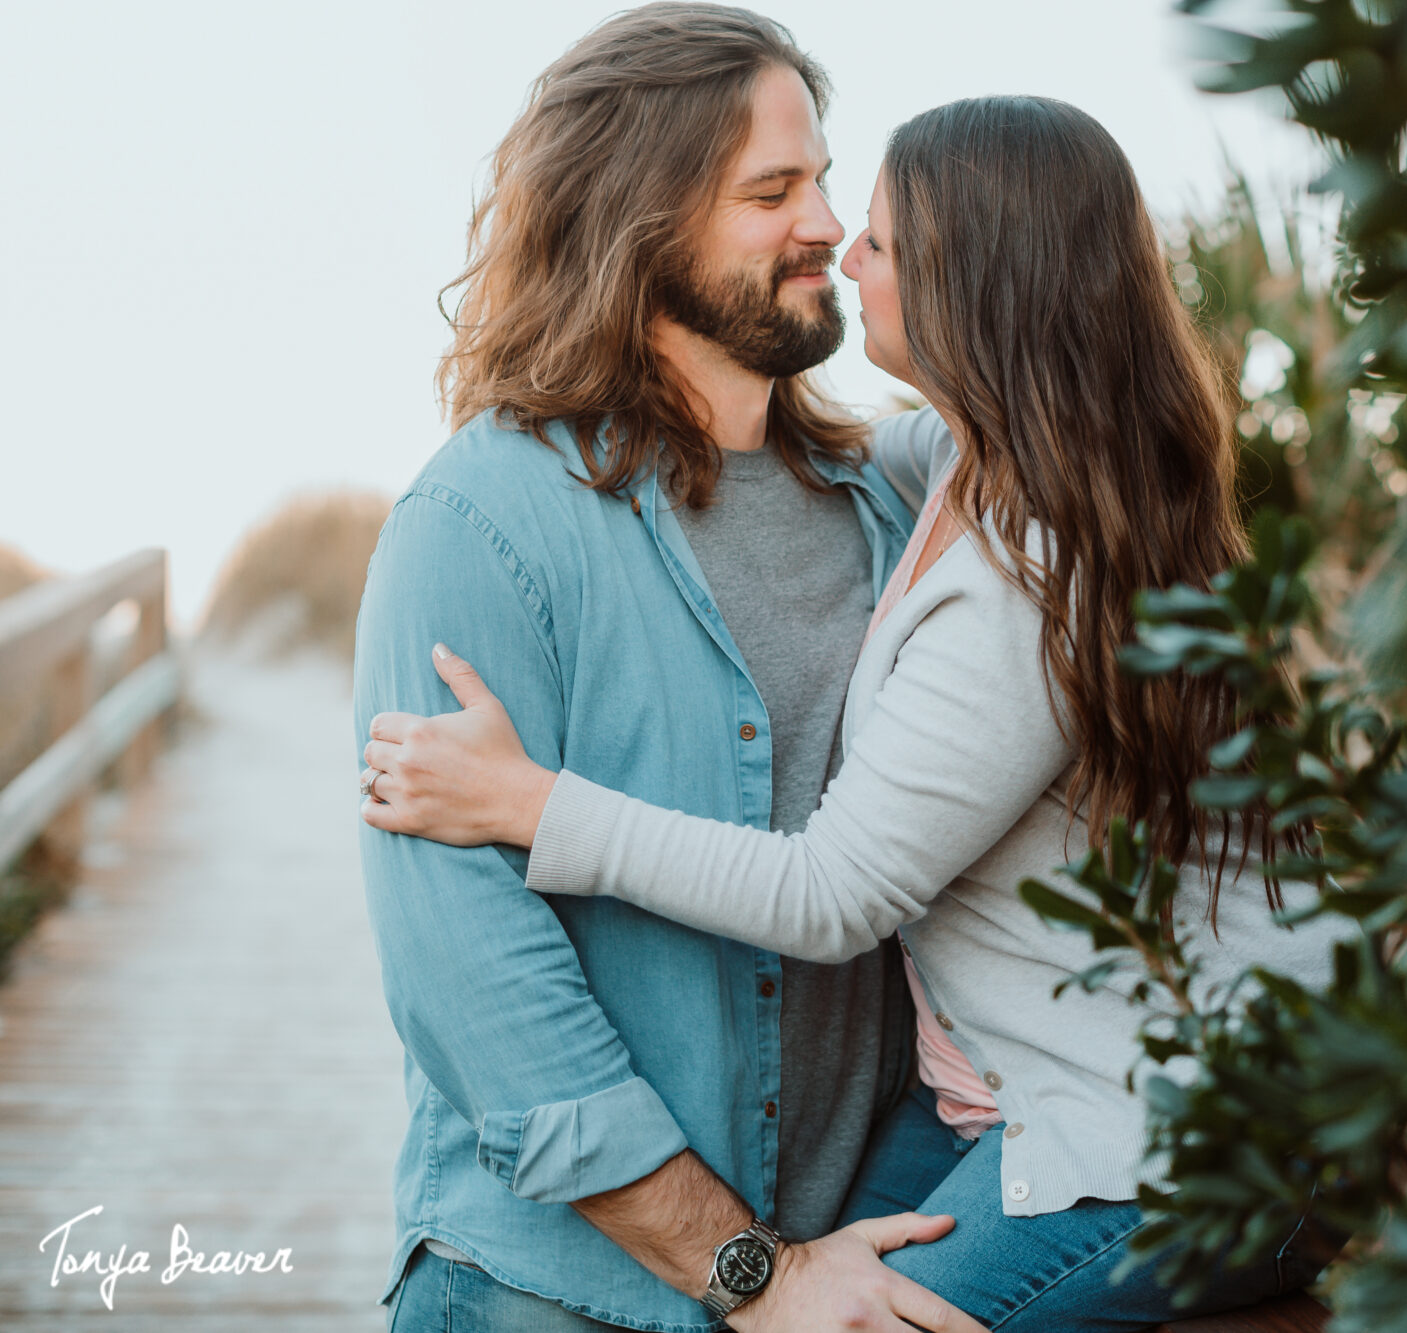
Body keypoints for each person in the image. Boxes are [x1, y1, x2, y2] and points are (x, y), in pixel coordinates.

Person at [360, 94, 1347, 1332]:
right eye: (780, 196)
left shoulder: (1028, 568)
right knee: (808, 1285)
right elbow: (787, 452)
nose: (834, 238)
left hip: (1161, 1132)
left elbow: (833, 894)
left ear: (977, 283)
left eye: (870, 228)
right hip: (1027, 1098)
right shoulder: (942, 466)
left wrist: (532, 805)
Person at [351, 6, 983, 1331]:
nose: (830, 223)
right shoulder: (479, 521)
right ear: (637, 221)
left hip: (852, 1269)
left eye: (821, 176)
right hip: (546, 1294)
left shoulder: (885, 503)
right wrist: (744, 1270)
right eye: (774, 191)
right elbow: (474, 983)